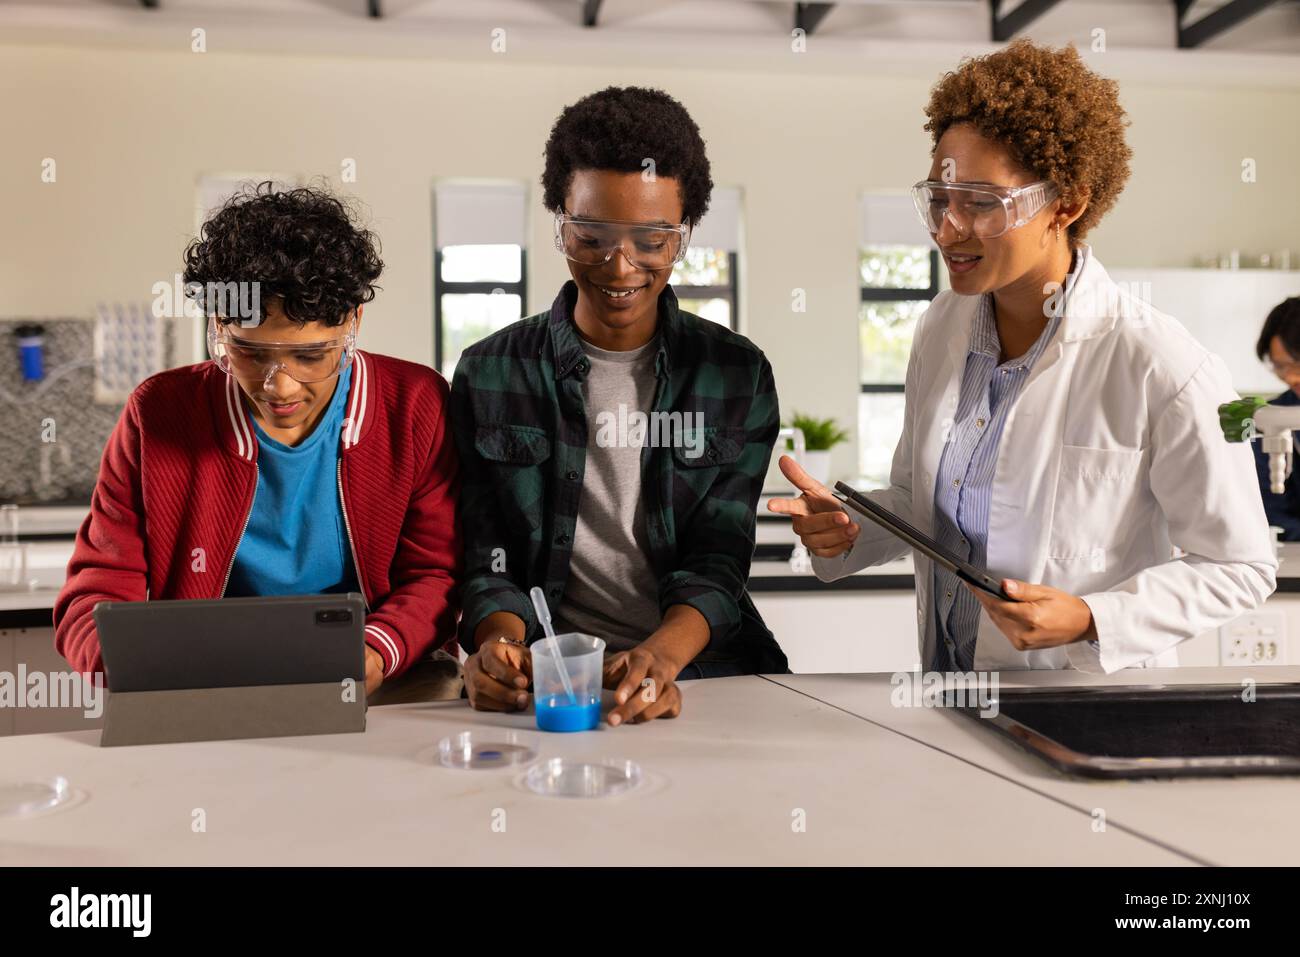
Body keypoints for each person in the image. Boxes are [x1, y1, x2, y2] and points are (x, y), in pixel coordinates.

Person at [770, 40, 1276, 673]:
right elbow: (918, 498)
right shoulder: (940, 327)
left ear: (1065, 204)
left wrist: (1093, 618)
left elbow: (1240, 565)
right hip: (950, 690)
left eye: (981, 204)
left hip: (1085, 716)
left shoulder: (1161, 363)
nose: (946, 229)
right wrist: (853, 528)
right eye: (939, 198)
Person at [452, 86, 787, 724]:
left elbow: (718, 559)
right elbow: (486, 553)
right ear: (560, 223)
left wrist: (658, 659)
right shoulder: (490, 372)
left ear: (684, 234)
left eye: (652, 239)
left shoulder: (735, 374)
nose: (620, 264)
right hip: (552, 685)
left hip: (704, 672)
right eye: (591, 236)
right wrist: (498, 646)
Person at [55, 183, 462, 696]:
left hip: (379, 676)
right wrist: (133, 663)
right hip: (198, 686)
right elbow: (96, 591)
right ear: (219, 324)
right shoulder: (157, 414)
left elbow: (437, 575)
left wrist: (379, 650)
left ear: (354, 322)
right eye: (250, 353)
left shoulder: (416, 405)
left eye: (311, 356)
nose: (280, 386)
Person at [1252, 297, 1300, 538]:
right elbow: (1271, 510)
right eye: (1281, 367)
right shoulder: (1270, 418)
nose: (1292, 377)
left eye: (1298, 364)